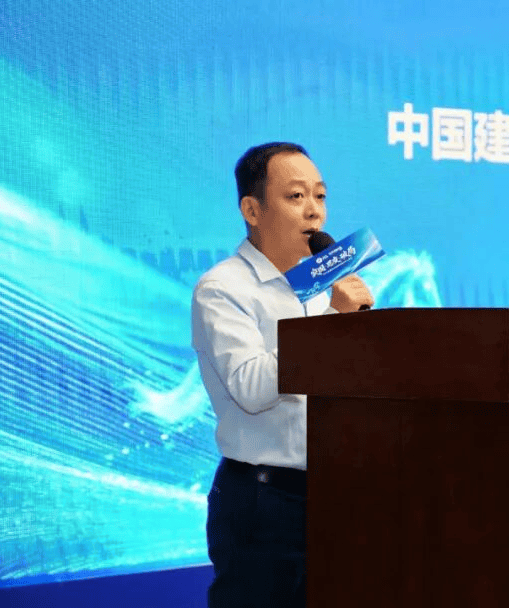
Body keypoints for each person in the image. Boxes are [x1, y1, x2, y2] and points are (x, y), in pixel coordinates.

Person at [191, 142, 374, 608]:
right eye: (296, 196)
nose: (314, 211)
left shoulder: (323, 287)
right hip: (264, 504)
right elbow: (253, 389)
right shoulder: (223, 288)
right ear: (252, 210)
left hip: (336, 497)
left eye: (320, 196)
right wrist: (332, 322)